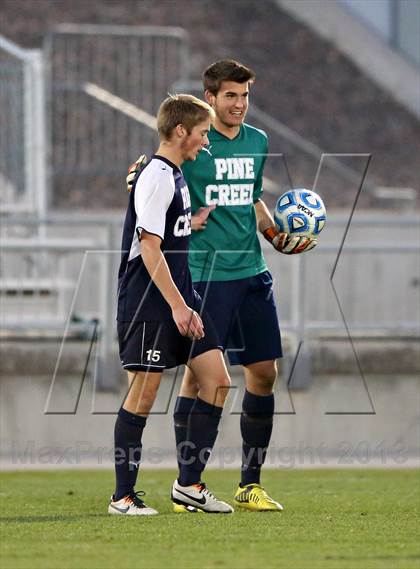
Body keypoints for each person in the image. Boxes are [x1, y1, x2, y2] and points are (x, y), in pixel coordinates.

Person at [174, 60, 317, 512]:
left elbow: (251, 197)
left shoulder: (258, 141)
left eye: (245, 95)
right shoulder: (194, 140)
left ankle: (249, 484)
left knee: (265, 373)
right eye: (231, 96)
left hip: (252, 273)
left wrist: (275, 234)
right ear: (210, 98)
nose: (239, 104)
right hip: (204, 275)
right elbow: (159, 184)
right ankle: (188, 485)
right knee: (201, 382)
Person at [110, 94, 233, 516]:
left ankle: (189, 486)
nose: (205, 142)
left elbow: (163, 230)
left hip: (180, 293)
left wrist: (189, 223)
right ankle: (122, 497)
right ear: (180, 131)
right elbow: (148, 248)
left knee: (216, 380)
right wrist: (180, 307)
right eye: (202, 133)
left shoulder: (171, 173)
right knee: (143, 394)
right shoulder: (157, 175)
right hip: (149, 298)